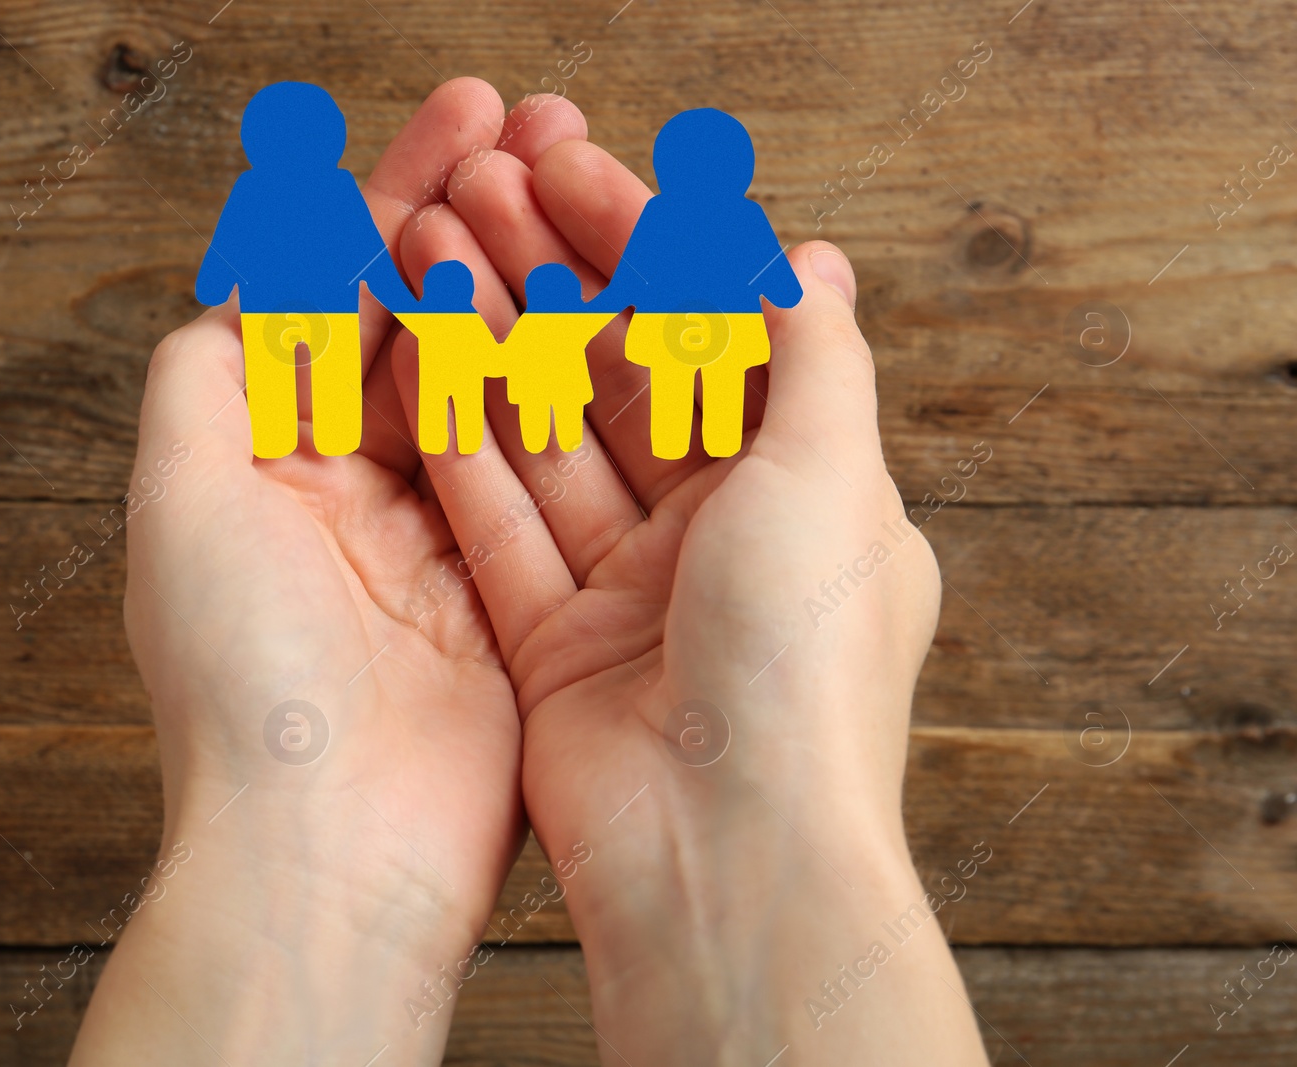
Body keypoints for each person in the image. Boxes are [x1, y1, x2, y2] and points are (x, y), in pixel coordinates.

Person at [70, 81, 990, 1067]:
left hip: (657, 336)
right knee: (681, 400)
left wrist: (302, 847)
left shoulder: (289, 202)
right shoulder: (711, 219)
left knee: (648, 397)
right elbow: (734, 272)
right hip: (692, 334)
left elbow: (285, 260)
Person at [195, 81, 419, 458]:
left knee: (291, 375)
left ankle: (284, 434)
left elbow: (231, 241)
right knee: (330, 373)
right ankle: (316, 432)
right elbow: (368, 252)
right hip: (328, 306)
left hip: (271, 306)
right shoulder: (333, 186)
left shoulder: (256, 186)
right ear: (333, 138)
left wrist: (214, 283)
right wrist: (403, 303)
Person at [592, 107, 803, 460]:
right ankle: (721, 444)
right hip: (732, 323)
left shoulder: (660, 212)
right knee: (724, 387)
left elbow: (631, 278)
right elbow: (784, 287)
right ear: (741, 168)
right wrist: (787, 290)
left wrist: (590, 314)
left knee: (670, 387)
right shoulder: (746, 215)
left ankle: (671, 444)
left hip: (665, 321)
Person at [502, 263, 615, 452]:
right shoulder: (570, 322)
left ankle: (537, 442)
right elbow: (602, 309)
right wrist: (622, 291)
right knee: (561, 414)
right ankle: (549, 441)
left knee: (540, 413)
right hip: (562, 385)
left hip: (536, 386)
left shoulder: (528, 325)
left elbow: (510, 353)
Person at [393, 260, 500, 455]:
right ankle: (460, 442)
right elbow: (486, 347)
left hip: (446, 376)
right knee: (460, 407)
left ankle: (449, 442)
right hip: (458, 376)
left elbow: (401, 306)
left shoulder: (443, 318)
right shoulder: (468, 318)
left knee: (441, 406)